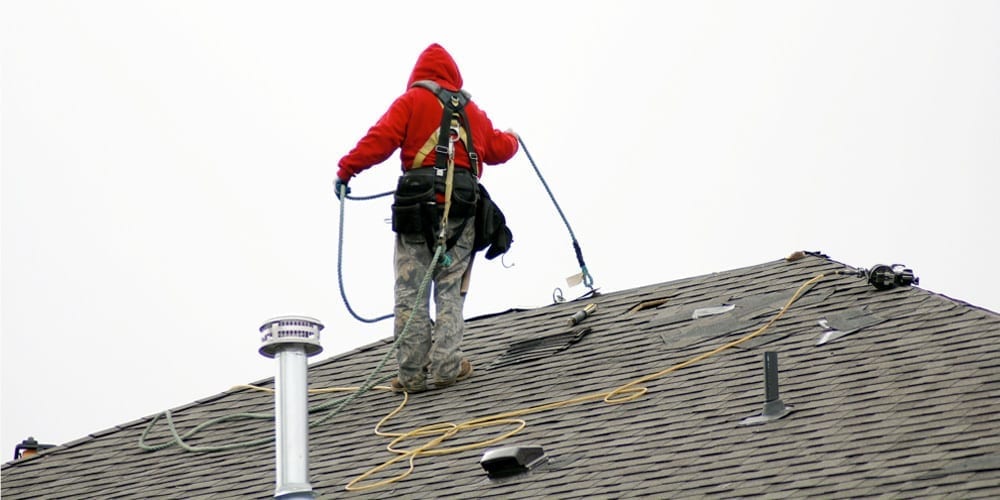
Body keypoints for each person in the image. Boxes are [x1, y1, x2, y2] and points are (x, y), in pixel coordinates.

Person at [336, 43, 519, 393]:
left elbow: (379, 140)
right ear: (453, 76)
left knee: (410, 292)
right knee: (450, 290)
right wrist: (514, 140)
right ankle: (448, 366)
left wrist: (347, 171)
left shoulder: (411, 103)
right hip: (461, 213)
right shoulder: (473, 114)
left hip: (416, 214)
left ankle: (411, 375)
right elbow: (497, 148)